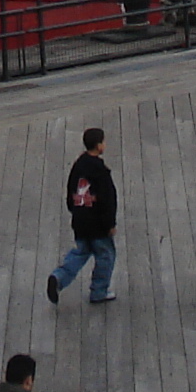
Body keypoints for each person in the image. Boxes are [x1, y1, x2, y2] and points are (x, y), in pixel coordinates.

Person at [44, 126, 118, 306]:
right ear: (99, 146)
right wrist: (110, 224)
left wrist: (76, 211)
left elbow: (70, 191)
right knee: (105, 255)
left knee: (81, 252)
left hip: (81, 221)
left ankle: (59, 277)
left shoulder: (78, 166)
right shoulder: (101, 172)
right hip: (98, 225)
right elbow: (108, 200)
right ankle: (99, 291)